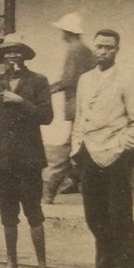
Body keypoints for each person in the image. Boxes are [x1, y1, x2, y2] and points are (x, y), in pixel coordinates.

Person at [71, 29, 134, 268]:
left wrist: (121, 147)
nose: (103, 52)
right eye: (99, 47)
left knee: (119, 217)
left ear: (117, 50)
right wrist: (76, 149)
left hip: (115, 155)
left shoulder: (127, 79)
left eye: (109, 47)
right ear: (93, 49)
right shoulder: (85, 79)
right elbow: (80, 118)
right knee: (94, 216)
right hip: (89, 155)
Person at [0, 33, 55, 268]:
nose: (12, 55)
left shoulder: (38, 81)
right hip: (3, 160)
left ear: (24, 54)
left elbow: (46, 116)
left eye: (17, 51)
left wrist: (20, 100)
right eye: (8, 52)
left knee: (33, 212)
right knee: (7, 213)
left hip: (29, 159)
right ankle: (12, 266)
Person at [43, 12, 97, 203]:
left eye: (63, 31)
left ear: (68, 32)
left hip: (78, 103)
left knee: (71, 145)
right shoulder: (84, 49)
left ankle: (50, 190)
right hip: (86, 103)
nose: (61, 35)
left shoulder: (74, 50)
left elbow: (68, 79)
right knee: (81, 144)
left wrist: (46, 90)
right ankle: (74, 180)